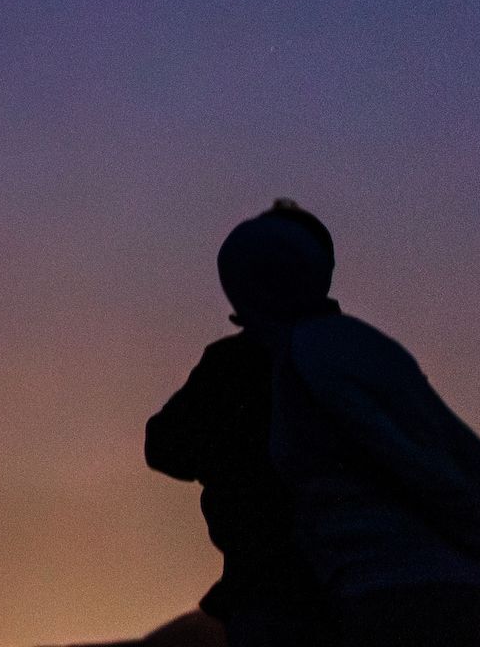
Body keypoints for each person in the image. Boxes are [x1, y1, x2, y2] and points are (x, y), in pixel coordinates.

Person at [218, 208, 480, 647]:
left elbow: (443, 475)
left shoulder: (323, 349)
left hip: (422, 601)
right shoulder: (309, 355)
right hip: (389, 599)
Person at [147, 200, 337, 647]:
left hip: (274, 588)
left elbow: (164, 444)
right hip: (344, 583)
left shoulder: (232, 364)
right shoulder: (359, 357)